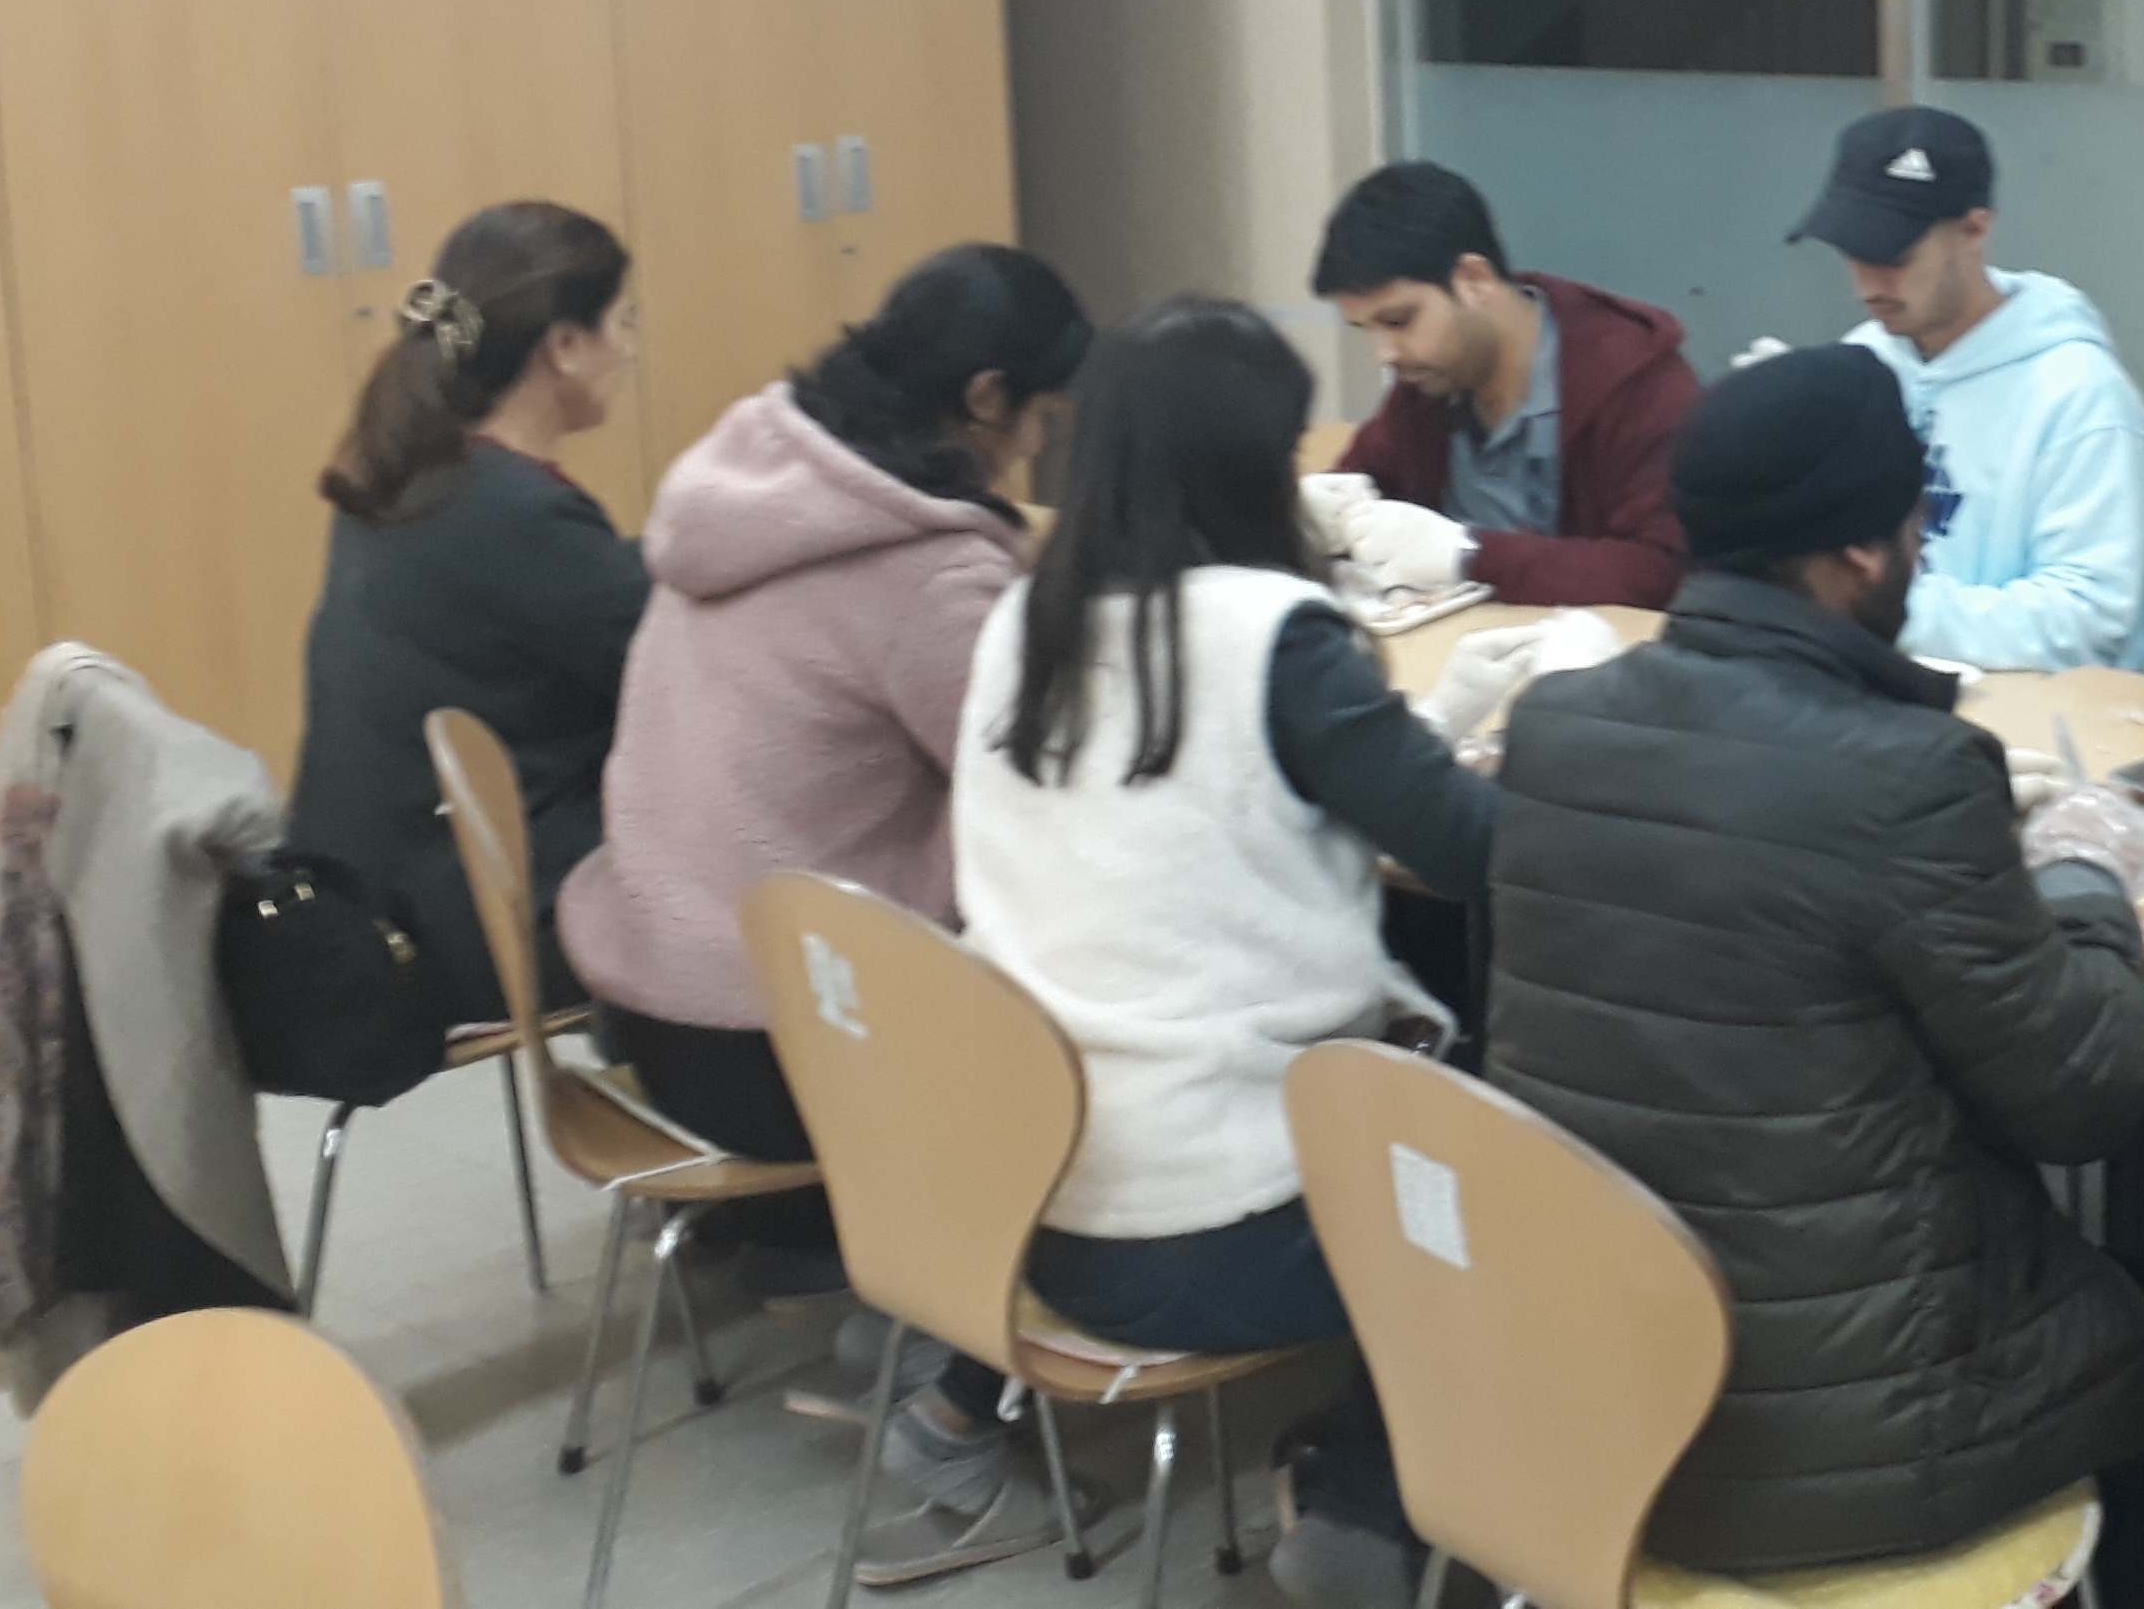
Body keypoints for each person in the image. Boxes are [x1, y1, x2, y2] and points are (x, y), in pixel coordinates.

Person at [1479, 345, 2144, 1594]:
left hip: (1600, 1384)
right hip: (1850, 1446)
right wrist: (2083, 870)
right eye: (1915, 528)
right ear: (1861, 551)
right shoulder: (1907, 774)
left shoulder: (1552, 726)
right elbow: (2085, 1101)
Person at [859, 296, 1526, 1587]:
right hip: (1214, 1235)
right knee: (1532, 1161)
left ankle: (956, 1406)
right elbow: (1470, 848)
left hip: (1015, 1203)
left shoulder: (1024, 621)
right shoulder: (1274, 638)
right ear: (1253, 462)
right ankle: (1363, 1499)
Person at [558, 245, 1091, 1293]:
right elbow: (1038, 788)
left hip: (650, 1014)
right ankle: (954, 1310)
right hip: (790, 1053)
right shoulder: (926, 573)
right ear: (987, 398)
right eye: (1039, 416)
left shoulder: (758, 481)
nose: (1036, 446)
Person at [290, 201, 651, 1030]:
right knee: (766, 867)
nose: (629, 352)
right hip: (467, 928)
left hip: (387, 898)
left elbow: (590, 599)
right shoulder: (515, 513)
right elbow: (668, 665)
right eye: (622, 324)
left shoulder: (415, 476)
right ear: (564, 346)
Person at [1789, 106, 2144, 671]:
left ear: (1974, 230)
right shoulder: (1860, 360)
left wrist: (1875, 607)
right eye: (1852, 252)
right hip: (1863, 688)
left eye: (1893, 255)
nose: (1868, 284)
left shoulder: (2080, 396)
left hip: (2029, 711)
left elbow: (2087, 623)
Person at [1312, 161, 1698, 609]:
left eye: (1399, 321)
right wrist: (1318, 515)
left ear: (1474, 281)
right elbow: (1365, 482)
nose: (1385, 354)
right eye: (1365, 330)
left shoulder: (1639, 386)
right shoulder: (1429, 381)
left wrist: (1471, 556)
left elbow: (1661, 573)